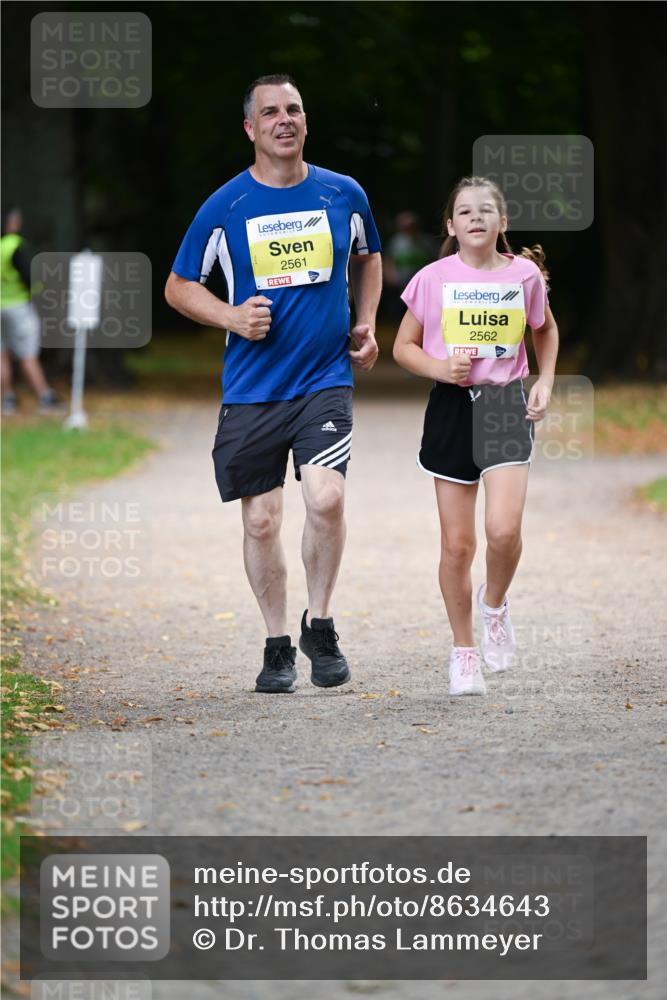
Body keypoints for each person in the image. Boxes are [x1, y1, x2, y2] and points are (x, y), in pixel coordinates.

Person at [165, 74, 382, 694]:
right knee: (261, 521)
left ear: (305, 122)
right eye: (270, 112)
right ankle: (278, 643)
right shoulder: (225, 207)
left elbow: (368, 256)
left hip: (324, 378)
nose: (284, 119)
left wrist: (366, 321)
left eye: (294, 109)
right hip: (253, 387)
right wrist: (231, 316)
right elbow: (179, 286)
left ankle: (322, 622)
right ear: (251, 129)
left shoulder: (343, 193)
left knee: (327, 499)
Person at [393, 175, 559, 697]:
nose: (476, 218)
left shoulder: (524, 276)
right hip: (452, 409)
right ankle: (464, 652)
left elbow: (545, 330)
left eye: (487, 210)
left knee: (503, 532)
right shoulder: (432, 278)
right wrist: (442, 367)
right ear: (451, 225)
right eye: (465, 212)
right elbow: (402, 347)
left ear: (502, 222)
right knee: (457, 546)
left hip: (504, 405)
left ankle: (495, 607)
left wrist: (546, 381)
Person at [1, 207, 62, 415]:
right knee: (28, 354)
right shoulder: (13, 245)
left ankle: (7, 399)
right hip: (17, 306)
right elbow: (30, 277)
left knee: (2, 356)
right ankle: (44, 396)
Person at [384, 210, 437, 320]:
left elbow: (435, 261)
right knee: (399, 313)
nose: (409, 228)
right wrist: (391, 276)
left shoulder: (427, 242)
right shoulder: (396, 242)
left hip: (422, 285)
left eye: (412, 225)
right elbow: (389, 260)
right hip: (401, 284)